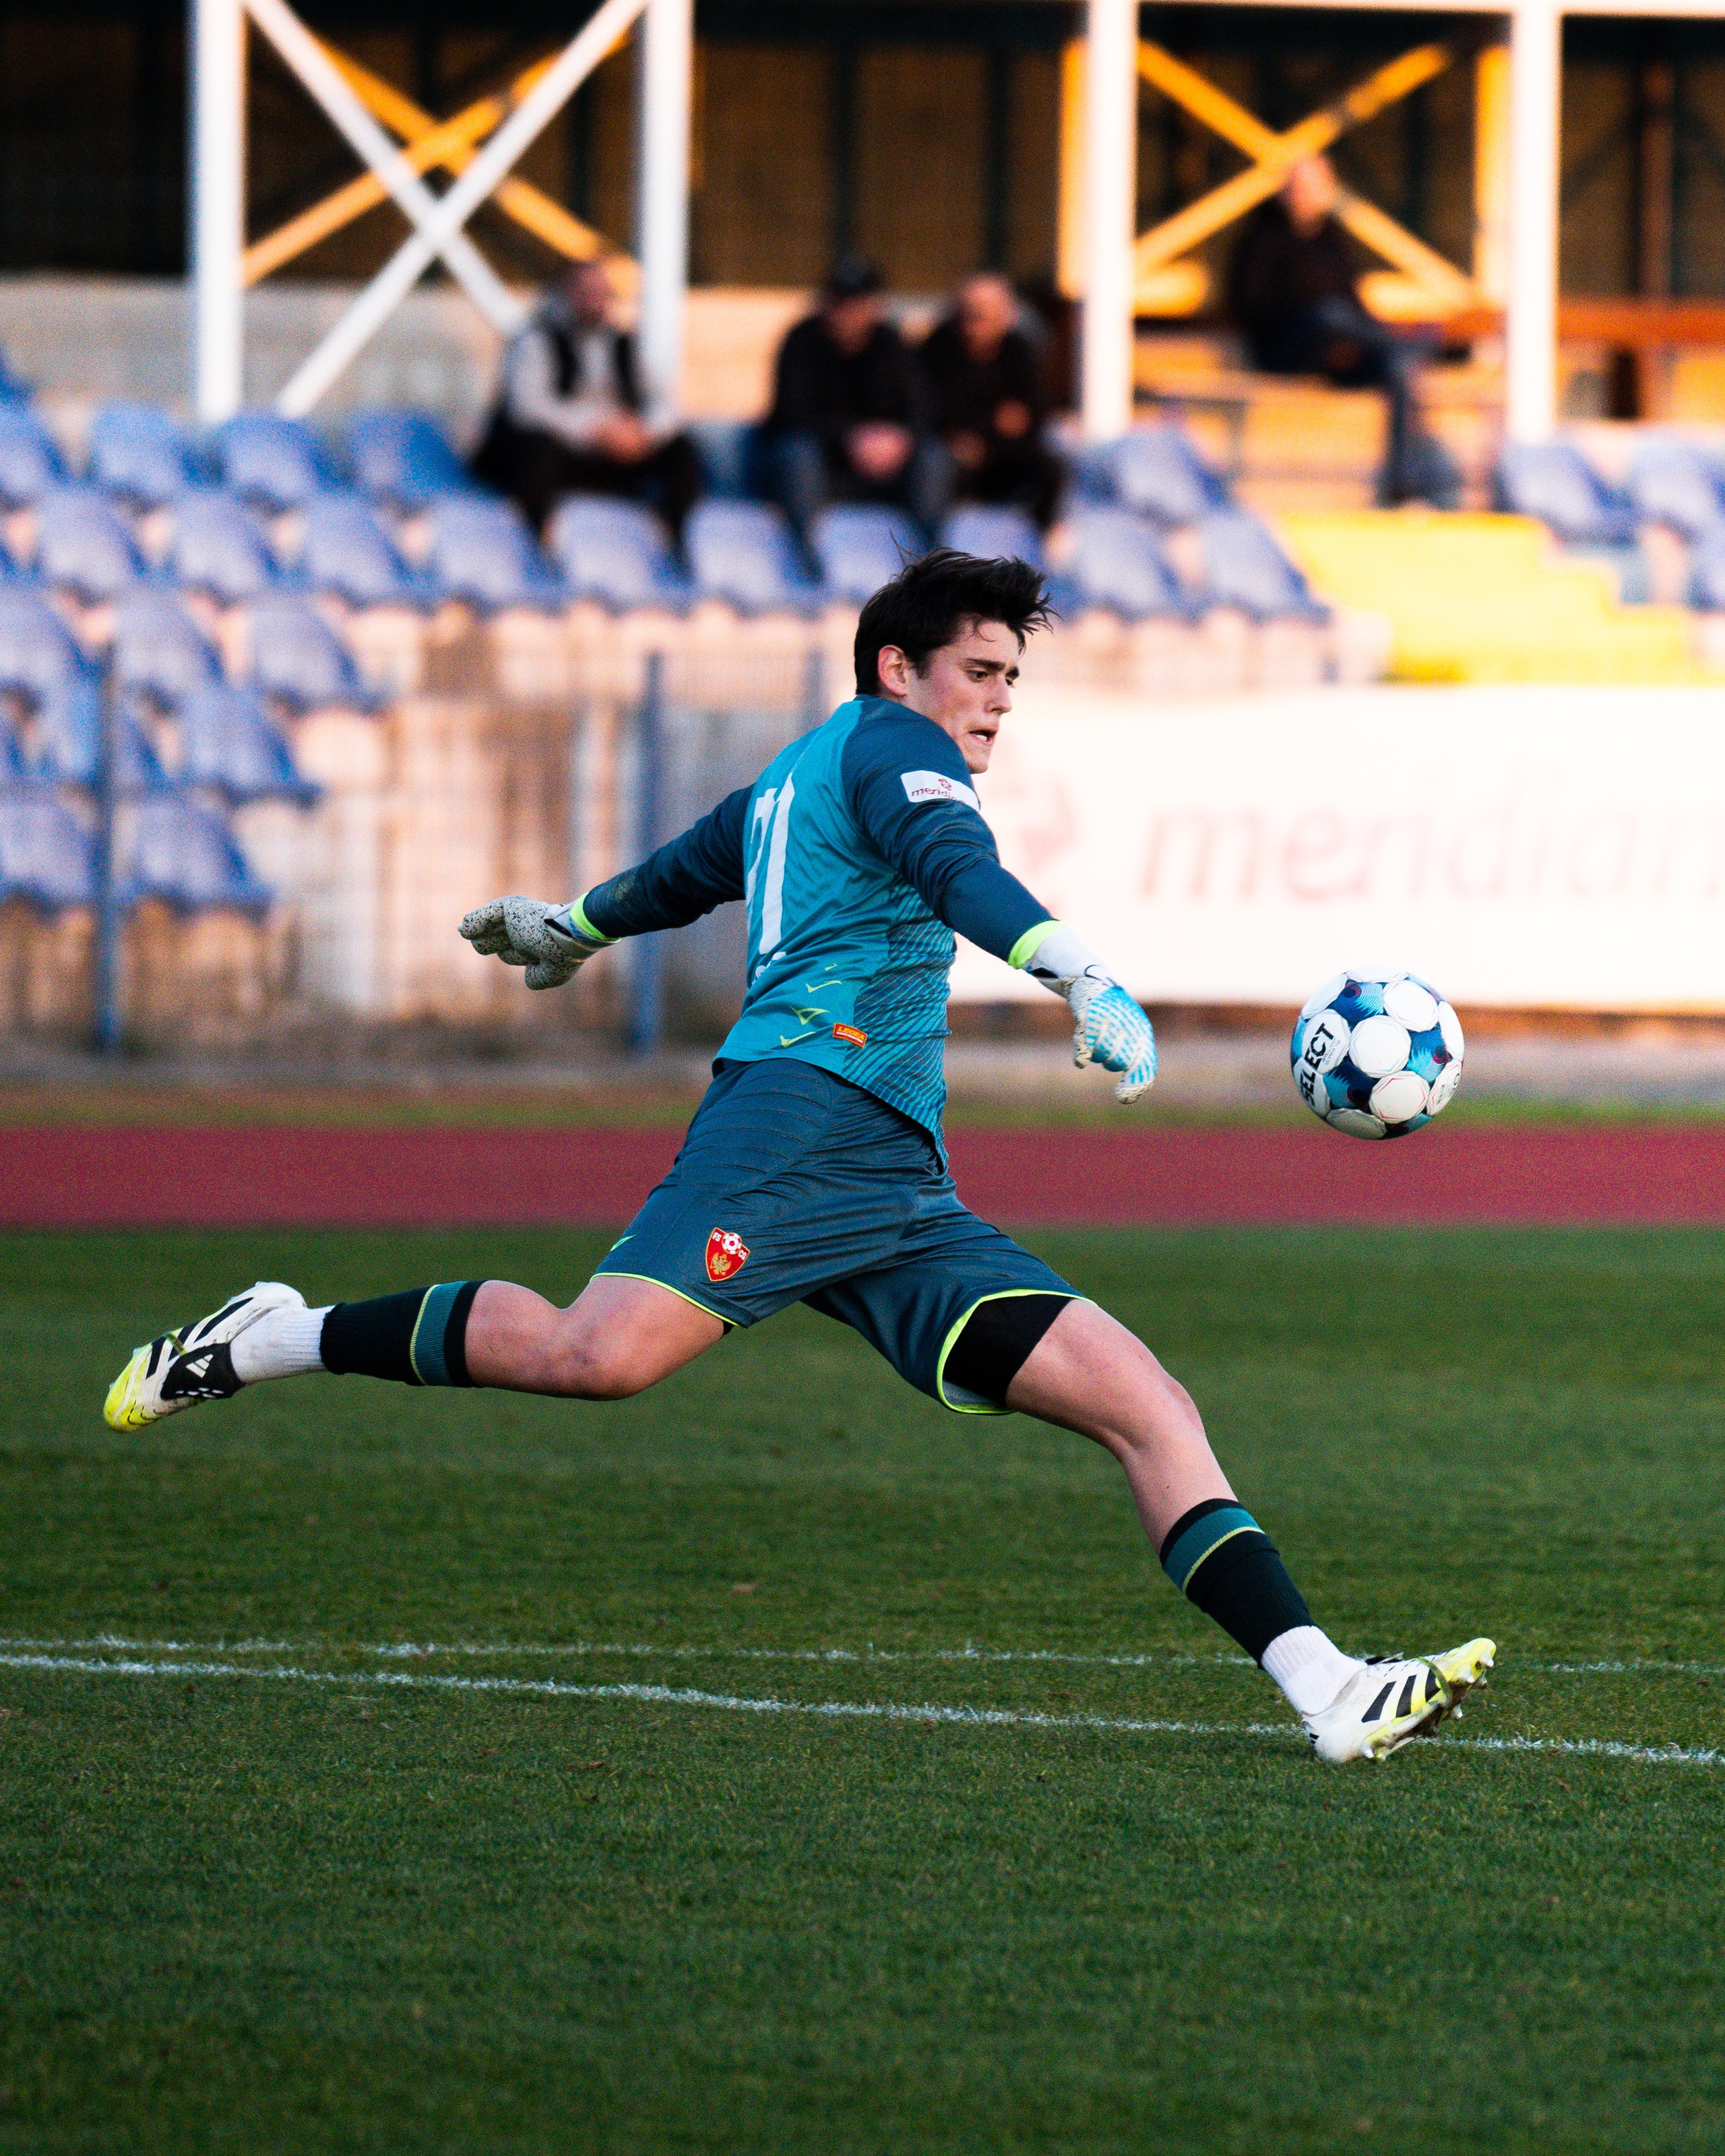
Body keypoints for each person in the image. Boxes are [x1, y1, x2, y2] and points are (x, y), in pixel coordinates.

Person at [102, 550, 1493, 1767]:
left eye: (1012, 676)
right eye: (979, 669)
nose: (999, 698)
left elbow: (687, 868)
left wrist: (573, 926)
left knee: (1143, 1399)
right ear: (898, 667)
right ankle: (279, 1336)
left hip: (892, 1183)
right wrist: (1079, 970)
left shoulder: (801, 769)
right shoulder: (895, 750)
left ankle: (1327, 1689)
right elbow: (955, 869)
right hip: (793, 1121)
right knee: (600, 1356)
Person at [1226, 156, 1460, 509]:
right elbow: (1254, 308)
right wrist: (1314, 322)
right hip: (1282, 353)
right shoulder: (1262, 239)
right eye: (1302, 187)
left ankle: (1399, 485)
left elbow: (1358, 308)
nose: (1309, 195)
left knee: (1396, 367)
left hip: (1333, 355)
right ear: (1286, 192)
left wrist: (1357, 343)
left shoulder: (1332, 242)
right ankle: (1420, 345)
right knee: (1329, 316)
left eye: (1317, 187)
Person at [468, 256, 703, 539]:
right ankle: (541, 537)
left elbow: (663, 403)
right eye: (585, 291)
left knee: (682, 449)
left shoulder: (625, 345)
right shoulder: (535, 339)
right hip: (563, 453)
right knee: (538, 451)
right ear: (565, 293)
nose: (594, 299)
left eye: (601, 292)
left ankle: (674, 537)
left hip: (615, 457)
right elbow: (526, 407)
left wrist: (642, 433)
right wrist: (596, 430)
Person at [763, 256, 947, 548]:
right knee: (798, 453)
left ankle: (931, 554)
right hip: (826, 463)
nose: (846, 312)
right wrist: (850, 437)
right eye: (838, 302)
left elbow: (922, 406)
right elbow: (791, 411)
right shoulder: (801, 340)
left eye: (856, 303)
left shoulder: (891, 343)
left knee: (934, 457)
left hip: (885, 465)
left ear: (875, 305)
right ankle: (806, 555)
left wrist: (901, 438)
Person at [918, 272, 1064, 530]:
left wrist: (984, 431)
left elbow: (1035, 413)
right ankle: (932, 543)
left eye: (984, 312)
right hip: (952, 447)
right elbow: (931, 407)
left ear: (1005, 314)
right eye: (969, 311)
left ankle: (1039, 546)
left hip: (1002, 450)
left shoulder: (1018, 351)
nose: (975, 319)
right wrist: (981, 426)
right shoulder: (938, 348)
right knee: (936, 463)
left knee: (1052, 466)